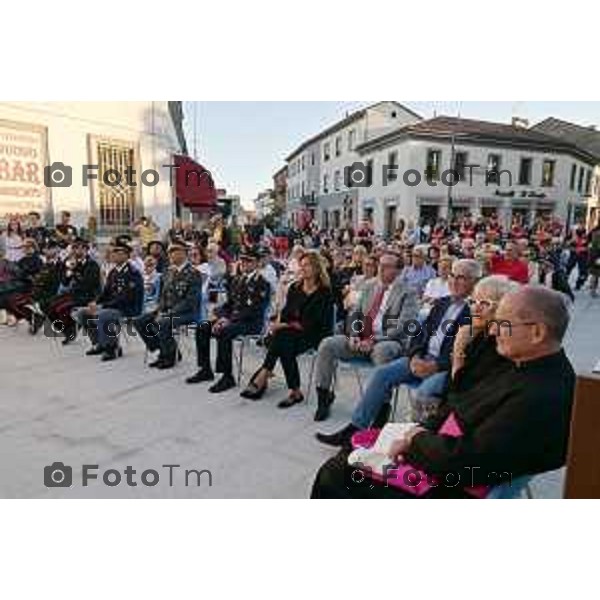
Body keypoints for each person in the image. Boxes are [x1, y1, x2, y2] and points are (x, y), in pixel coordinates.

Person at [310, 286, 575, 499]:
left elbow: (470, 462)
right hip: (449, 455)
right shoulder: (523, 363)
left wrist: (416, 441)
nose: (493, 330)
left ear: (538, 332)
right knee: (351, 454)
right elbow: (463, 403)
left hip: (454, 485)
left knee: (336, 473)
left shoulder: (540, 394)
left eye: (502, 323)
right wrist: (421, 430)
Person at [315, 259, 480, 448]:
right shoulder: (441, 303)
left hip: (445, 367)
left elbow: (468, 352)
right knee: (382, 373)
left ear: (474, 282)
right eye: (452, 276)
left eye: (461, 278)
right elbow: (419, 332)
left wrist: (436, 365)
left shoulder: (475, 313)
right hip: (419, 358)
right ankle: (354, 428)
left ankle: (414, 444)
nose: (454, 281)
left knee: (423, 391)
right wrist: (416, 356)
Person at [312, 253, 419, 422]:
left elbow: (404, 325)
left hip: (388, 341)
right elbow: (356, 313)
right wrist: (355, 334)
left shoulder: (408, 292)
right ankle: (324, 397)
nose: (381, 269)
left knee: (382, 351)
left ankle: (381, 408)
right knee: (328, 344)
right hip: (361, 338)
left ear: (399, 271)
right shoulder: (369, 286)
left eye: (387, 266)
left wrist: (374, 340)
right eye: (380, 264)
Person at [239, 250, 334, 408]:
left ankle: (265, 373)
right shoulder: (295, 288)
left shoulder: (324, 292)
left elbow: (313, 322)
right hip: (292, 333)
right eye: (301, 265)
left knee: (282, 338)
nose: (303, 268)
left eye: (308, 265)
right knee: (284, 341)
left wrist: (282, 325)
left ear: (317, 268)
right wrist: (282, 324)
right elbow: (287, 313)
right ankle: (293, 391)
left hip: (315, 335)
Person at [185, 247, 270, 393]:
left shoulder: (262, 283)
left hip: (251, 323)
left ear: (256, 263)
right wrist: (219, 315)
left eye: (248, 261)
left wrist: (228, 320)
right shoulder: (237, 280)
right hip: (234, 320)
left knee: (223, 331)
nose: (244, 263)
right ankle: (205, 369)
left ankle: (227, 376)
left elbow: (253, 310)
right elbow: (230, 304)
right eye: (242, 260)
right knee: (203, 326)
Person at [134, 240, 203, 369]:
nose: (171, 255)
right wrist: (160, 310)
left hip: (187, 313)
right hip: (167, 310)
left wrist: (168, 313)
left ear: (184, 254)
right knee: (139, 321)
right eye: (170, 252)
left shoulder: (194, 274)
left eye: (175, 252)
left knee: (162, 323)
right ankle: (163, 348)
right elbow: (163, 296)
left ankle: (169, 356)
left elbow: (190, 302)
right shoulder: (168, 272)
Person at [75, 241, 144, 361]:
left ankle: (112, 348)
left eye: (118, 253)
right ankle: (99, 343)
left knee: (103, 315)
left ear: (126, 256)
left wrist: (102, 306)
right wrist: (95, 302)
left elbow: (125, 298)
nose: (114, 255)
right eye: (114, 252)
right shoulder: (113, 272)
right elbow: (105, 292)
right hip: (112, 306)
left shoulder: (133, 273)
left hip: (127, 308)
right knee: (82, 313)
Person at [45, 237, 101, 344]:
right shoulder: (73, 264)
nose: (77, 251)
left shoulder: (92, 265)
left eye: (81, 248)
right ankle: (68, 330)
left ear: (86, 250)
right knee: (49, 307)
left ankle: (71, 329)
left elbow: (88, 285)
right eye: (75, 248)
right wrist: (69, 270)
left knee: (61, 309)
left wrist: (75, 272)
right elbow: (65, 282)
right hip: (74, 294)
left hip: (88, 296)